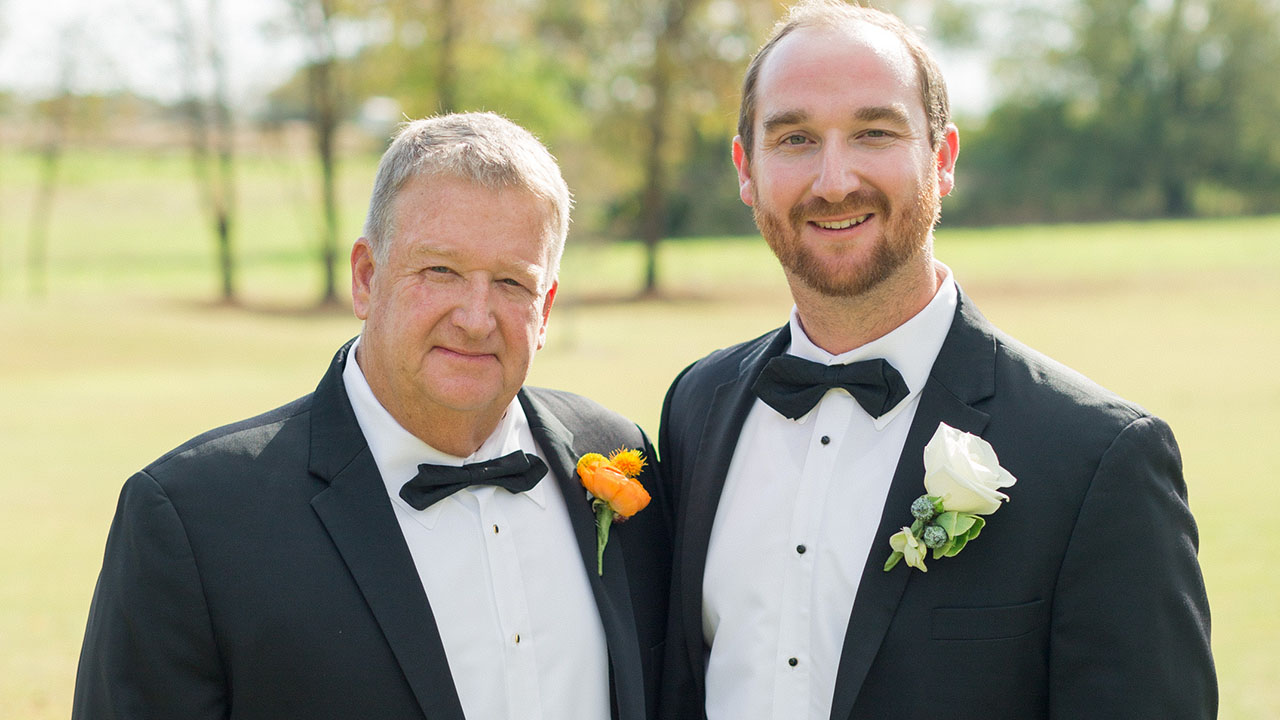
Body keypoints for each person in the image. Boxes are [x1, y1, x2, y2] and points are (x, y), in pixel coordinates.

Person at [657, 2, 1215, 718]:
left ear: (942, 158)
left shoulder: (1098, 458)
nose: (833, 180)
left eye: (874, 133)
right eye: (795, 138)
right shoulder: (697, 408)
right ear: (747, 169)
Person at [72, 112, 670, 720]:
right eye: (441, 270)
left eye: (512, 282)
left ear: (545, 309)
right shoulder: (192, 519)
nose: (474, 316)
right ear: (366, 277)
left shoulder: (620, 457)